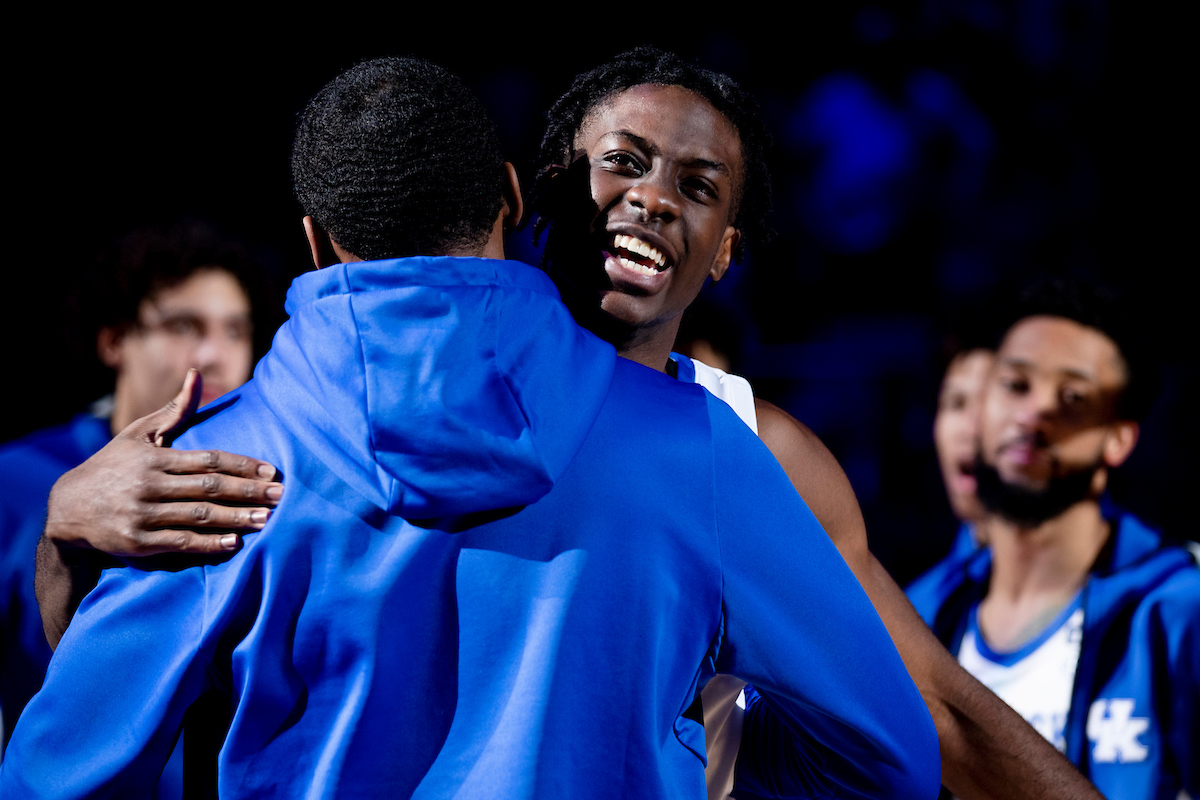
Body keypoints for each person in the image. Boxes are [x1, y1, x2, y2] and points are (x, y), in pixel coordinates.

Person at [35, 49, 1104, 800]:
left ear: (726, 249)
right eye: (624, 161)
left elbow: (935, 711)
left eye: (699, 185)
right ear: (531, 192)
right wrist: (61, 527)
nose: (650, 199)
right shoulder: (699, 454)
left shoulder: (751, 442)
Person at [907, 279, 1199, 800]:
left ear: (1120, 437)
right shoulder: (922, 613)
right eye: (1016, 385)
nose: (1036, 411)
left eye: (1072, 397)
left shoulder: (1180, 609)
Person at [0, 220, 262, 765]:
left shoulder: (259, 482)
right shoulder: (15, 481)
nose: (215, 354)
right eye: (184, 325)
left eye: (235, 330)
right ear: (115, 340)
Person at [934, 346, 996, 555]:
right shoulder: (918, 589)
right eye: (956, 403)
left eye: (989, 404)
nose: (970, 430)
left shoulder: (1097, 584)